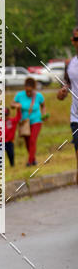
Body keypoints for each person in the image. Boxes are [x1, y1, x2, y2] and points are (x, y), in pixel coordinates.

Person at [56, 26, 78, 183]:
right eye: (77, 39)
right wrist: (62, 92)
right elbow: (66, 84)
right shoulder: (70, 64)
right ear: (73, 41)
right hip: (76, 116)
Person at [13, 76, 46, 167]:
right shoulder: (19, 95)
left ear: (34, 89)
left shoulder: (39, 96)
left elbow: (43, 106)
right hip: (24, 123)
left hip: (36, 121)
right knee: (27, 142)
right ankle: (34, 159)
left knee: (32, 140)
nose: (28, 93)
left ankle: (29, 161)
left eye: (30, 91)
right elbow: (12, 104)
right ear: (24, 88)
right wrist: (16, 105)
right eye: (27, 91)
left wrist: (44, 114)